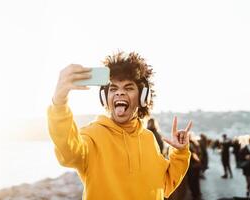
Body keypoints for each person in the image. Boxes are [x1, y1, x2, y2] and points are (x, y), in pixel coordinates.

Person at [47, 51, 192, 200]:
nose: (119, 93)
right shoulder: (91, 135)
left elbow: (165, 185)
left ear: (142, 97)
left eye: (128, 88)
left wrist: (180, 153)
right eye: (113, 88)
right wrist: (59, 103)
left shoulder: (149, 139)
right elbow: (69, 153)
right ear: (105, 97)